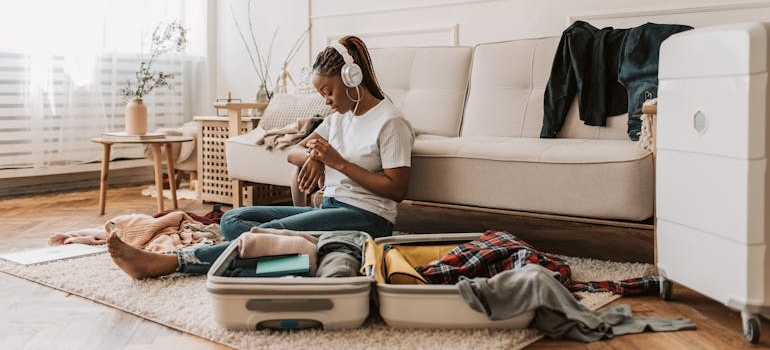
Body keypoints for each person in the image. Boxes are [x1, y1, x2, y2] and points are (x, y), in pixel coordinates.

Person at [107, 35, 415, 279]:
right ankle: (294, 260)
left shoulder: (390, 122)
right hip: (333, 206)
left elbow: (396, 190)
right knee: (233, 218)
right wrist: (316, 158)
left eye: (329, 91)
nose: (326, 100)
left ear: (351, 79)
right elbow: (295, 151)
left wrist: (338, 162)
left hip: (366, 218)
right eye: (321, 93)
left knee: (271, 234)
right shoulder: (340, 119)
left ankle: (173, 263)